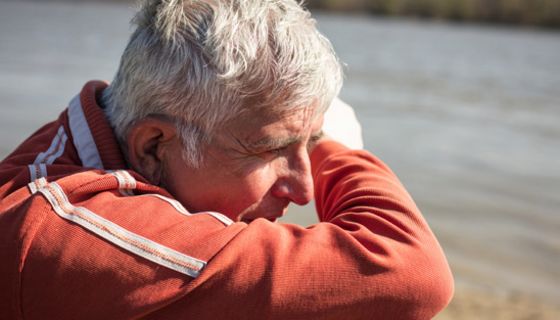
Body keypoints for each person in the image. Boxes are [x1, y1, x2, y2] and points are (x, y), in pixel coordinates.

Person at [0, 0, 453, 319]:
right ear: (154, 146)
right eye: (272, 150)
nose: (303, 189)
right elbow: (410, 275)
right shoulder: (63, 231)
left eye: (311, 143)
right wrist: (341, 152)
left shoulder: (83, 141)